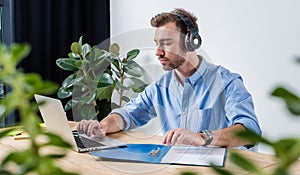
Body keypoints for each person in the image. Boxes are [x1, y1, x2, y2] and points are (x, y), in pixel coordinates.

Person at [77, 8, 261, 150]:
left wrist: (202, 137)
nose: (158, 52)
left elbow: (250, 132)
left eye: (166, 43)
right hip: (180, 172)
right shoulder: (159, 88)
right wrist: (102, 126)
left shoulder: (227, 82)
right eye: (157, 44)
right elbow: (128, 115)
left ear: (190, 41)